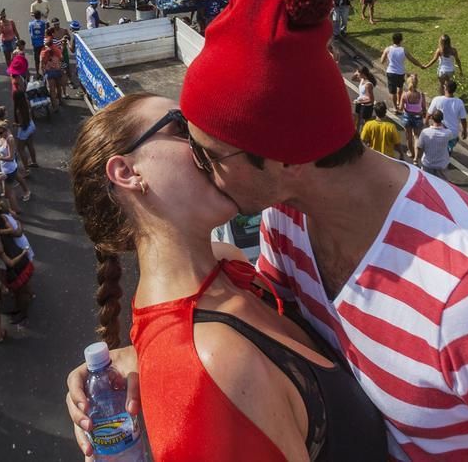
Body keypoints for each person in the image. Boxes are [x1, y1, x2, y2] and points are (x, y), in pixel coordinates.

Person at [66, 0, 468, 461]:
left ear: (285, 159)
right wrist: (146, 354)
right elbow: (282, 336)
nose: (202, 169)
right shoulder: (284, 220)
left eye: (209, 156)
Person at [67, 92, 387, 460]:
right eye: (181, 127)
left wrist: (136, 357)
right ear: (127, 173)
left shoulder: (228, 265)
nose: (208, 138)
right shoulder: (210, 364)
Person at [427, 77, 468, 142]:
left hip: (439, 132)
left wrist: (426, 123)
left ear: (445, 88)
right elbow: (463, 119)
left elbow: (428, 114)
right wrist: (464, 131)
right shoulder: (459, 102)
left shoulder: (437, 99)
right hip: (452, 134)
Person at [378, 32, 409, 109]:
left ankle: (395, 107)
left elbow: (382, 61)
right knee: (400, 88)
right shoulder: (403, 50)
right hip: (400, 72)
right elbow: (412, 59)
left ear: (393, 40)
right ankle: (399, 101)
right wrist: (421, 65)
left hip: (391, 72)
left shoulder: (388, 49)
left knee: (393, 91)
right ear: (401, 40)